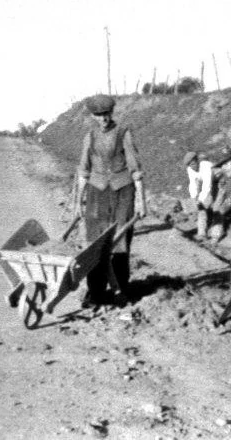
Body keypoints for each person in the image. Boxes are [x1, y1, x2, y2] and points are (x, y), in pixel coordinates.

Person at [73, 94, 147, 308]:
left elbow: (136, 170)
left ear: (111, 113)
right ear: (93, 116)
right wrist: (78, 203)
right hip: (96, 192)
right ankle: (95, 292)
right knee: (94, 245)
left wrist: (141, 201)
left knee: (120, 243)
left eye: (106, 114)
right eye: (99, 115)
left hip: (123, 191)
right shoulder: (89, 137)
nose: (104, 119)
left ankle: (121, 290)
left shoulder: (124, 133)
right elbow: (83, 172)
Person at [183, 151, 214, 239]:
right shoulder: (190, 169)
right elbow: (193, 183)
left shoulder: (206, 167)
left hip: (216, 181)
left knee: (216, 206)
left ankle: (215, 234)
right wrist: (194, 198)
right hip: (204, 183)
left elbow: (207, 185)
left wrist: (200, 200)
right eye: (190, 165)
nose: (193, 167)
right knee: (201, 207)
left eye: (193, 164)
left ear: (197, 161)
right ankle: (202, 233)